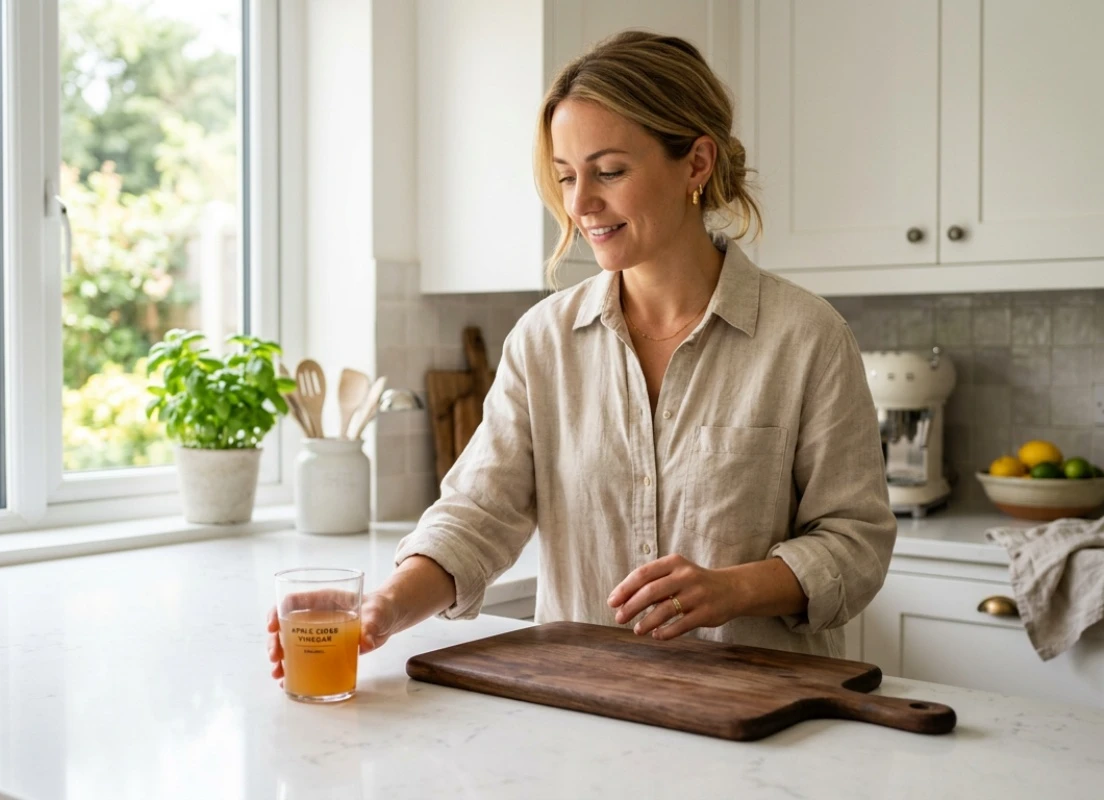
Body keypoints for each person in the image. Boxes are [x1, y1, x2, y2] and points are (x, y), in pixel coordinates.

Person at [267, 30, 895, 682]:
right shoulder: (543, 342)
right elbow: (477, 515)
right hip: (588, 714)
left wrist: (734, 588)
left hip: (760, 718)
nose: (579, 204)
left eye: (610, 171)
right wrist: (382, 608)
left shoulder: (806, 337)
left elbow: (857, 543)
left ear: (697, 164)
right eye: (566, 176)